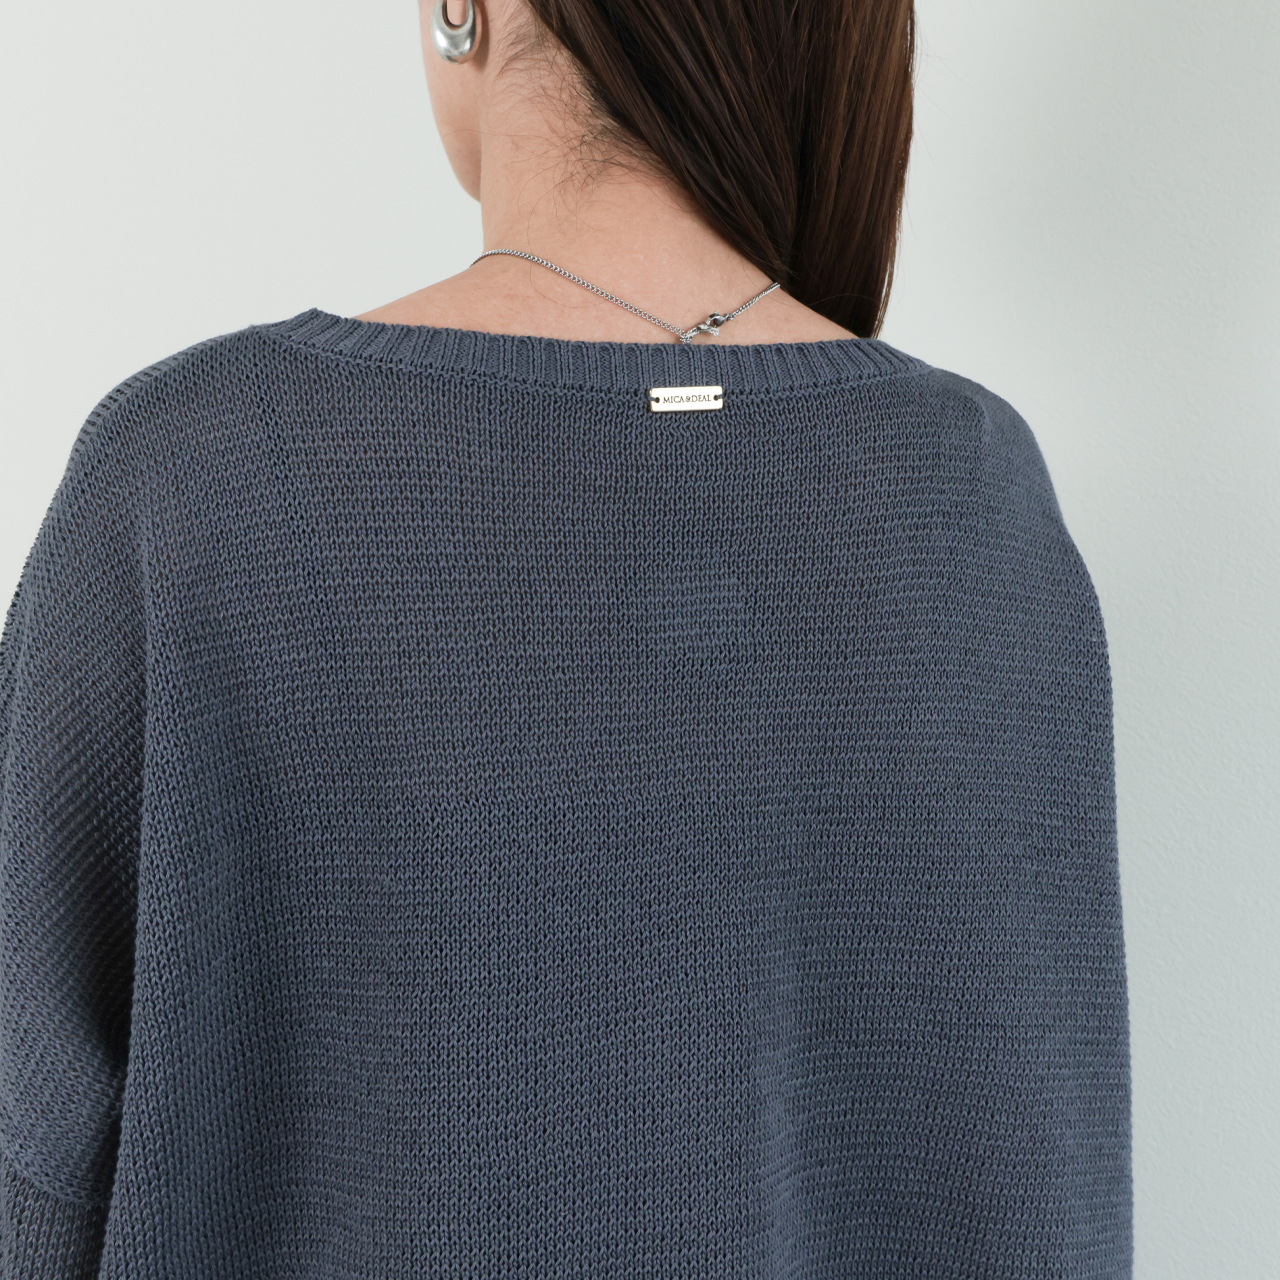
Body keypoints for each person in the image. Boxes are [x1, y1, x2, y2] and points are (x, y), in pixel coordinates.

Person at [0, 0, 1132, 1275]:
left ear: (461, 12)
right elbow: (1045, 1203)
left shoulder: (194, 481)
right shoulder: (976, 506)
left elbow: (30, 1170)